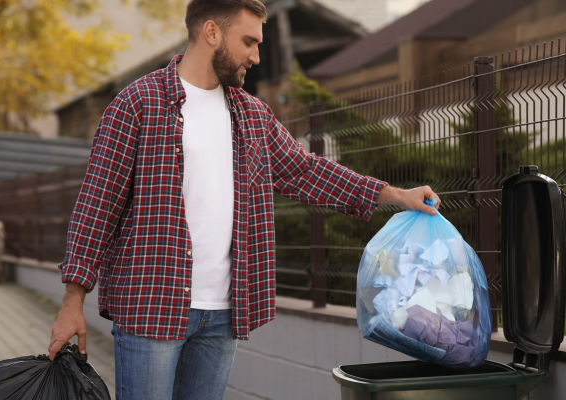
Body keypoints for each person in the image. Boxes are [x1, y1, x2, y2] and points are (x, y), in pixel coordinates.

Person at [47, 0, 441, 399]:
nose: (255, 56)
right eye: (249, 42)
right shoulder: (138, 104)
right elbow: (97, 203)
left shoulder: (253, 115)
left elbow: (305, 170)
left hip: (223, 313)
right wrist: (72, 301)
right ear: (212, 32)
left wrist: (394, 195)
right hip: (151, 304)